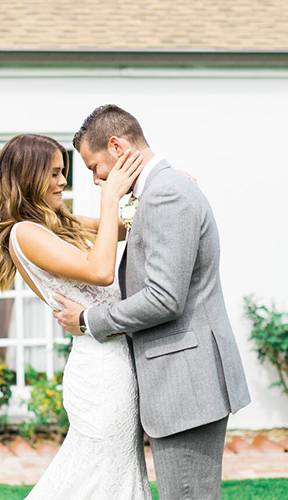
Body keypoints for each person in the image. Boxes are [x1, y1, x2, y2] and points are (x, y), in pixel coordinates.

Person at [52, 105, 251, 500]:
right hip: (183, 381)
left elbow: (164, 299)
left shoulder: (166, 193)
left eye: (95, 167)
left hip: (187, 383)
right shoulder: (160, 190)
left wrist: (89, 320)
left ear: (117, 146)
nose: (95, 180)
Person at [0, 133, 151, 499]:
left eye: (63, 172)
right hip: (100, 372)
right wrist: (109, 196)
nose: (64, 181)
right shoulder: (25, 232)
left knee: (114, 473)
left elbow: (125, 228)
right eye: (54, 173)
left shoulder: (57, 222)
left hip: (114, 361)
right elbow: (100, 271)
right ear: (28, 176)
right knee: (97, 476)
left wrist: (164, 191)